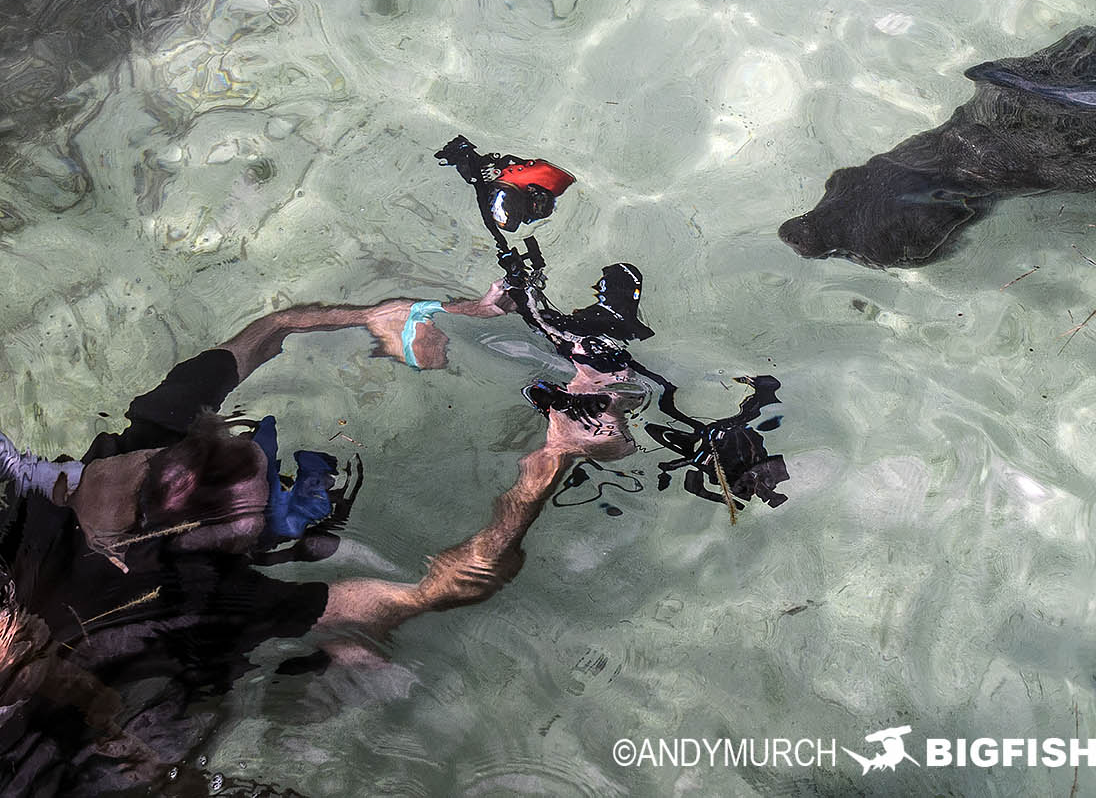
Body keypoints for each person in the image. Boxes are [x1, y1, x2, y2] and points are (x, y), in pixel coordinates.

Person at [0, 283, 637, 797]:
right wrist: (552, 460)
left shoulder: (142, 439)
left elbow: (271, 330)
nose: (74, 481)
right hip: (76, 742)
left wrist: (383, 313)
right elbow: (443, 589)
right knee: (358, 659)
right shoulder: (213, 601)